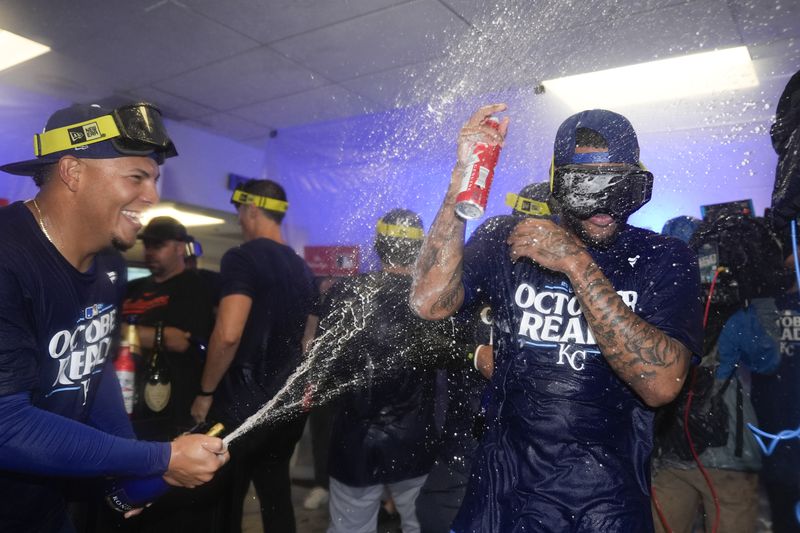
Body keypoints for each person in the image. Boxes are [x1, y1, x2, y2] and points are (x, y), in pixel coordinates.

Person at [410, 104, 703, 532]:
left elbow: (662, 385)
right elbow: (428, 301)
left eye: (619, 189)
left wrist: (578, 264)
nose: (605, 210)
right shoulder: (507, 238)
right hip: (500, 497)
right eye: (588, 190)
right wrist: (464, 180)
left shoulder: (664, 258)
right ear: (559, 184)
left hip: (603, 507)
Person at [0, 102, 228, 532]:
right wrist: (160, 458)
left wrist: (128, 464)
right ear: (73, 171)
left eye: (155, 179)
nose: (153, 197)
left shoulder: (110, 265)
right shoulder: (7, 257)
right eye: (136, 177)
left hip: (48, 504)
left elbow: (95, 368)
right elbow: (6, 425)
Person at [317, 209, 462, 533]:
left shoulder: (346, 293)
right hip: (414, 437)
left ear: (379, 245)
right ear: (421, 248)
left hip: (353, 439)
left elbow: (322, 364)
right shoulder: (430, 301)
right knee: (420, 525)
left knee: (349, 529)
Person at [190, 179, 317, 533]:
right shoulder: (303, 269)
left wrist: (205, 392)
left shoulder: (242, 257)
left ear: (252, 209)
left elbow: (228, 335)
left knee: (224, 498)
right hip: (284, 407)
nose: (240, 222)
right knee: (276, 495)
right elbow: (308, 339)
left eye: (240, 214)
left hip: (240, 404)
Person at [651, 213, 782, 533]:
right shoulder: (734, 306)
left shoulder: (656, 304)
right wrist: (760, 296)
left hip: (669, 451)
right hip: (727, 457)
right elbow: (767, 360)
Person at [123, 217, 215, 441]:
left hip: (170, 404)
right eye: (147, 245)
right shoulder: (132, 287)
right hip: (126, 396)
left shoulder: (194, 285)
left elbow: (177, 341)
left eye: (158, 246)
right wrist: (152, 335)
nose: (150, 252)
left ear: (180, 247)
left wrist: (120, 332)